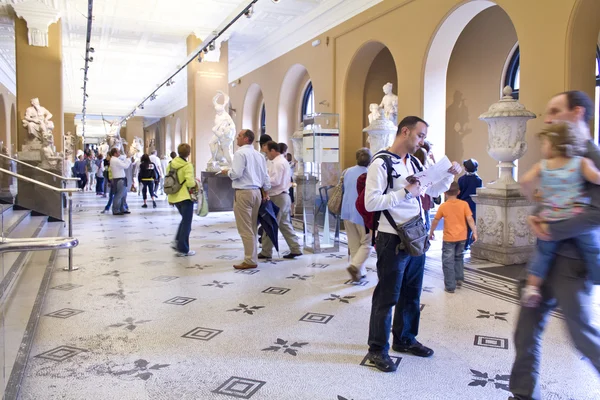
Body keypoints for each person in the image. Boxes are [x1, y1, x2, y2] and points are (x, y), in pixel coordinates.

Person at [509, 91, 600, 400]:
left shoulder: (590, 156)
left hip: (572, 263)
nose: (547, 118)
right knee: (525, 332)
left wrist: (550, 226)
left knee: (581, 337)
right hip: (543, 259)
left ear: (576, 113)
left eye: (554, 111)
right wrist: (537, 215)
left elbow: (596, 213)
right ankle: (522, 395)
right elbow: (548, 195)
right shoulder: (555, 150)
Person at [364, 116, 462, 372]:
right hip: (392, 238)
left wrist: (449, 177)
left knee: (411, 292)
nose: (422, 141)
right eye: (420, 135)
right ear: (405, 131)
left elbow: (429, 191)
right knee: (387, 296)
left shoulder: (415, 161)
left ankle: (405, 339)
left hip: (416, 235)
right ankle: (377, 349)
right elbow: (371, 202)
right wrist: (406, 192)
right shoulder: (381, 163)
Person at [222, 129, 270, 270]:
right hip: (257, 192)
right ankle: (252, 256)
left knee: (245, 228)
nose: (237, 137)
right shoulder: (259, 155)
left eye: (240, 135)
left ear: (246, 139)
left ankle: (250, 260)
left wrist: (227, 172)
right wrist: (266, 192)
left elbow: (236, 173)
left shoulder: (240, 153)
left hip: (244, 192)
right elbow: (265, 176)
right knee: (253, 226)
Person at [428, 182, 477, 293]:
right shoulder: (464, 204)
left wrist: (431, 232)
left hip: (449, 238)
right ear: (459, 192)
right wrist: (474, 232)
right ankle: (459, 278)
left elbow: (436, 220)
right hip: (462, 237)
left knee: (447, 261)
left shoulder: (444, 206)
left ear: (445, 193)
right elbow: (470, 219)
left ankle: (450, 286)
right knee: (459, 257)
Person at [258, 141, 302, 260]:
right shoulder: (282, 161)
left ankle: (266, 251)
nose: (267, 155)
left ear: (273, 150)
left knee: (270, 223)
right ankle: (296, 248)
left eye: (267, 152)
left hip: (278, 196)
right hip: (283, 196)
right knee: (284, 223)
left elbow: (275, 181)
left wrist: (262, 181)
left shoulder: (277, 163)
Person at [341, 148, 373, 282]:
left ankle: (360, 271)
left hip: (346, 211)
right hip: (361, 214)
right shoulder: (369, 174)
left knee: (353, 243)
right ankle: (355, 266)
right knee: (368, 243)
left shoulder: (347, 171)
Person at [167, 143, 197, 257]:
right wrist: (195, 182)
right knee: (187, 223)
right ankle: (183, 249)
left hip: (174, 196)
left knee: (184, 220)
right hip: (185, 197)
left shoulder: (170, 164)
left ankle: (177, 242)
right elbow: (190, 183)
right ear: (188, 153)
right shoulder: (187, 165)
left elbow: (169, 180)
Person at [457, 158, 482, 250]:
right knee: (472, 225)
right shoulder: (478, 180)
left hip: (463, 204)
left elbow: (458, 193)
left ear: (465, 168)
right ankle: (470, 242)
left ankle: (463, 244)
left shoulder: (461, 179)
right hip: (474, 205)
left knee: (463, 225)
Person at [414, 148, 434, 232]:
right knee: (427, 213)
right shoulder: (427, 168)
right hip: (426, 193)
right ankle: (427, 231)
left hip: (416, 193)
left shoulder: (413, 168)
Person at [109, 148, 132, 215]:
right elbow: (125, 166)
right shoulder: (115, 160)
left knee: (124, 195)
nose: (120, 153)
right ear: (115, 153)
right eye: (118, 152)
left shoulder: (115, 159)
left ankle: (122, 208)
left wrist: (127, 156)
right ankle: (116, 210)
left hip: (121, 179)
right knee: (119, 195)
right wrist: (128, 158)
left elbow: (122, 158)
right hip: (119, 180)